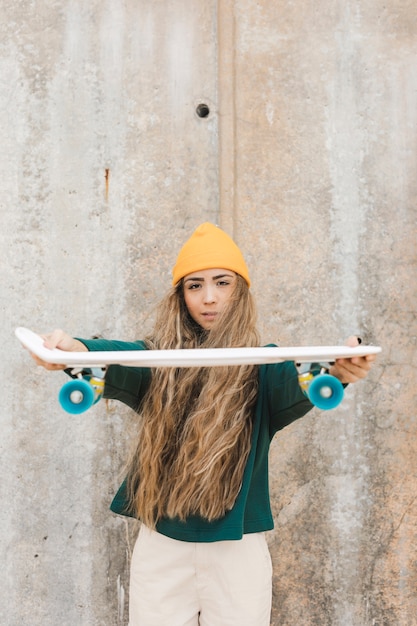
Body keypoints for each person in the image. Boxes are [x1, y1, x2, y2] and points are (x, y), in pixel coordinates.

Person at [30, 223, 376, 626]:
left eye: (222, 282)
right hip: (161, 544)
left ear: (241, 290)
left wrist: (339, 370)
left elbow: (303, 379)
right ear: (181, 296)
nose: (208, 298)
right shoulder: (156, 362)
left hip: (238, 548)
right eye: (194, 286)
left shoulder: (265, 366)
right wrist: (76, 351)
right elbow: (116, 357)